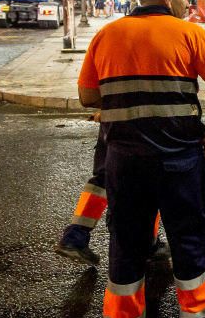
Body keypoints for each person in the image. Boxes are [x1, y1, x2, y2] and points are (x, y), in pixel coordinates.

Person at [78, 0, 205, 318]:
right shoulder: (189, 34)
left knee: (127, 241)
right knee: (188, 237)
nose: (189, 3)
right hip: (179, 159)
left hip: (124, 160)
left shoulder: (106, 34)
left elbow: (87, 96)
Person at [53, 112, 168, 267]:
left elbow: (89, 94)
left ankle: (75, 235)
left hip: (113, 117)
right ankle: (148, 244)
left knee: (105, 176)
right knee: (151, 176)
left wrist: (104, 109)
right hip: (147, 120)